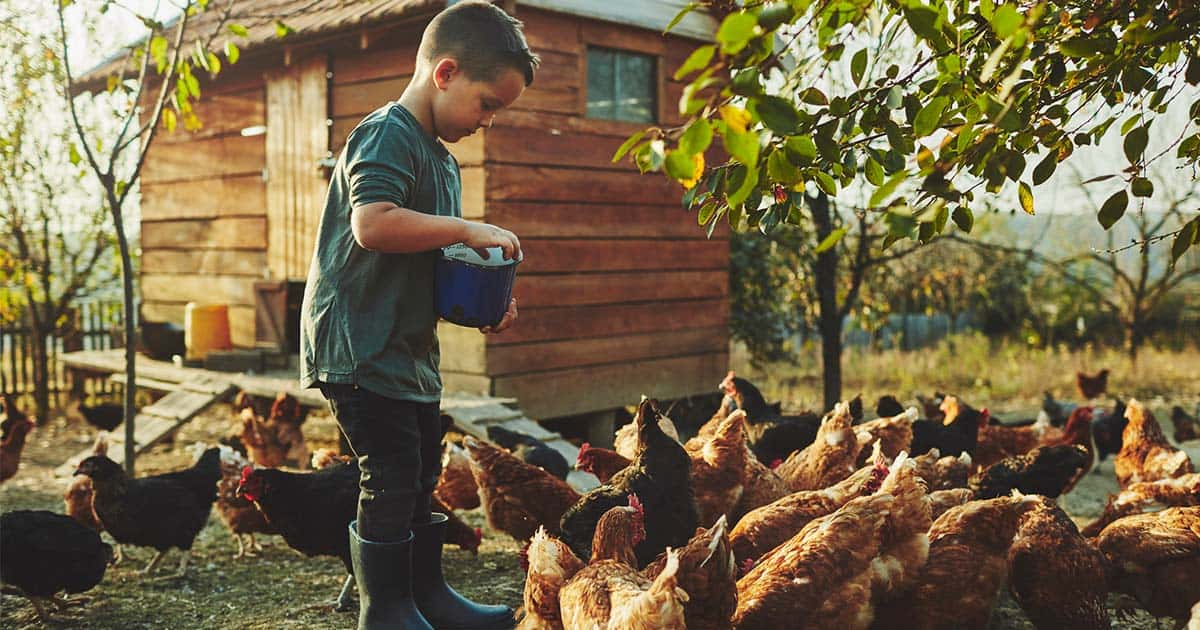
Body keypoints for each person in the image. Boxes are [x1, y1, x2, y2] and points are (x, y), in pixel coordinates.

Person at [299, 2, 537, 628]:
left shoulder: (443, 161)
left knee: (422, 469)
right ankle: (386, 612)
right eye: (487, 104)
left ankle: (426, 596)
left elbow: (431, 261)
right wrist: (465, 225)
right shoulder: (386, 134)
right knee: (392, 473)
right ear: (446, 72)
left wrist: (481, 305)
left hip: (405, 348)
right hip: (357, 342)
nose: (488, 121)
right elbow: (373, 225)